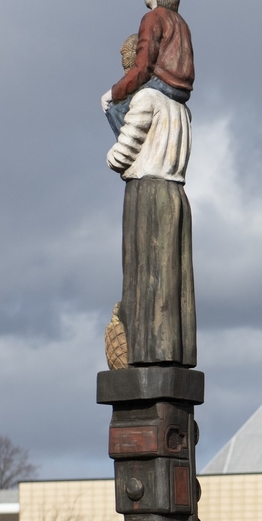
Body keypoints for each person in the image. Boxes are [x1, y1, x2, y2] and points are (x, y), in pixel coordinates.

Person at [105, 31, 195, 366]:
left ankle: (146, 352)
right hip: (176, 194)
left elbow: (124, 153)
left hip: (147, 194)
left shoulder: (146, 101)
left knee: (146, 275)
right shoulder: (181, 110)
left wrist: (111, 157)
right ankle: (173, 352)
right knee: (174, 279)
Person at [101, 0, 194, 124]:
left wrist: (113, 93)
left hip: (163, 85)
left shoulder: (153, 18)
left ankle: (132, 149)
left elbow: (143, 67)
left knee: (115, 109)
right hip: (183, 90)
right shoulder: (182, 23)